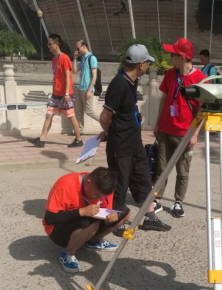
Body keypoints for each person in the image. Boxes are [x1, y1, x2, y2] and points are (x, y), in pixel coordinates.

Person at [99, 44, 171, 233]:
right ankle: (114, 222)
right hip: (121, 147)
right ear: (140, 65)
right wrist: (109, 134)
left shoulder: (132, 81)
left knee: (144, 180)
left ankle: (150, 217)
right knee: (119, 186)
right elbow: (104, 117)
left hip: (134, 144)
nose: (148, 66)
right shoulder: (119, 84)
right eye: (147, 62)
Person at [153, 38, 206, 218]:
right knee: (162, 167)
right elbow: (163, 100)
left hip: (185, 133)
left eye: (173, 53)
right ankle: (157, 199)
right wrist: (157, 124)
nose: (170, 56)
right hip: (165, 130)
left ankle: (178, 201)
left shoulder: (200, 79)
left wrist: (195, 134)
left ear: (182, 57)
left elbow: (202, 110)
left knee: (182, 171)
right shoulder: (170, 74)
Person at [43, 167, 131, 273]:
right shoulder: (65, 184)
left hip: (87, 221)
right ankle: (68, 253)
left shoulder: (105, 187)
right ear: (88, 182)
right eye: (97, 195)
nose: (99, 199)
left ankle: (94, 242)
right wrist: (82, 212)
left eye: (102, 196)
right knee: (90, 223)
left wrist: (109, 220)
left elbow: (104, 211)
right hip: (57, 231)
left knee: (125, 213)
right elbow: (49, 218)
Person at [27, 34, 83, 149]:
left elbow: (68, 77)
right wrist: (53, 92)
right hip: (56, 95)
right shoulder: (54, 59)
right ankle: (42, 139)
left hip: (65, 95)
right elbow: (55, 77)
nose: (48, 46)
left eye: (49, 44)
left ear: (56, 44)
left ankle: (78, 139)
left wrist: (67, 93)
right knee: (48, 115)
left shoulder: (65, 58)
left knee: (71, 116)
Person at [73, 40, 100, 133]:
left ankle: (107, 123)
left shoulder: (92, 58)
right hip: (80, 89)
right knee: (78, 111)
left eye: (78, 48)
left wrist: (89, 90)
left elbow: (94, 76)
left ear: (84, 46)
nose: (77, 50)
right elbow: (75, 70)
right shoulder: (83, 59)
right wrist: (75, 59)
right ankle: (79, 130)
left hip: (87, 89)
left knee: (89, 111)